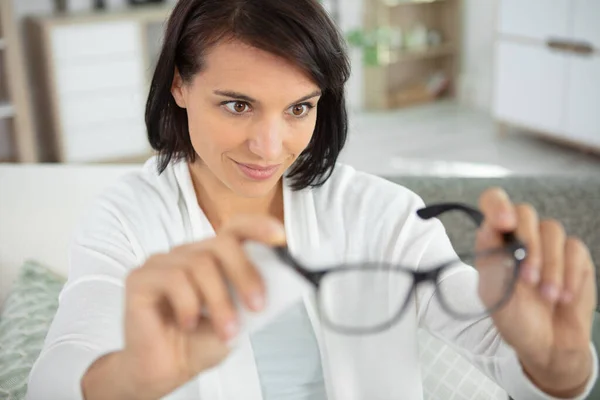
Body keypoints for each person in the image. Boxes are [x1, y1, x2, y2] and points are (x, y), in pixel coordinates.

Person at [26, 0, 598, 399]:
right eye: (237, 104)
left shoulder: (383, 213)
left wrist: (560, 360)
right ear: (178, 83)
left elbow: (504, 347)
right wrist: (130, 380)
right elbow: (60, 372)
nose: (270, 147)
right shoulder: (125, 218)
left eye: (299, 107)